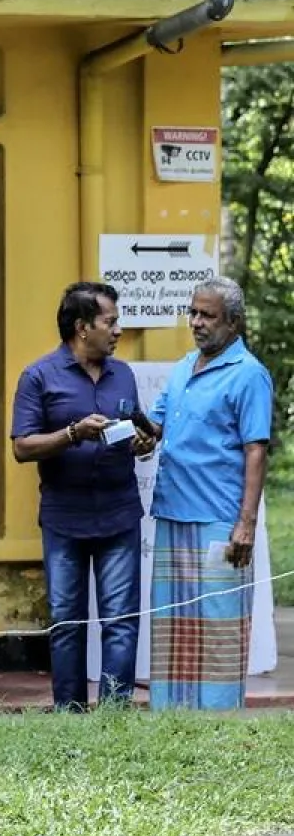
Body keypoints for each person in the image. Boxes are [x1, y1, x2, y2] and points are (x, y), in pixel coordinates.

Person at [11, 282, 156, 712]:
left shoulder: (124, 374)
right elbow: (22, 446)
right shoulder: (39, 376)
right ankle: (69, 715)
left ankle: (113, 715)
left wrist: (142, 444)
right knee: (67, 623)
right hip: (64, 517)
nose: (118, 331)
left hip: (119, 513)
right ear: (81, 327)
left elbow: (137, 430)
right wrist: (74, 433)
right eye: (110, 322)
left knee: (121, 623)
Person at [142, 276, 273, 711]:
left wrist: (246, 524)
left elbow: (256, 450)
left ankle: (217, 725)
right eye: (193, 312)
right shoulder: (183, 367)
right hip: (173, 513)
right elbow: (157, 426)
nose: (196, 322)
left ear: (232, 323)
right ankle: (171, 719)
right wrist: (142, 436)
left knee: (219, 626)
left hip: (220, 519)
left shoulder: (249, 375)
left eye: (207, 316)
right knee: (174, 624)